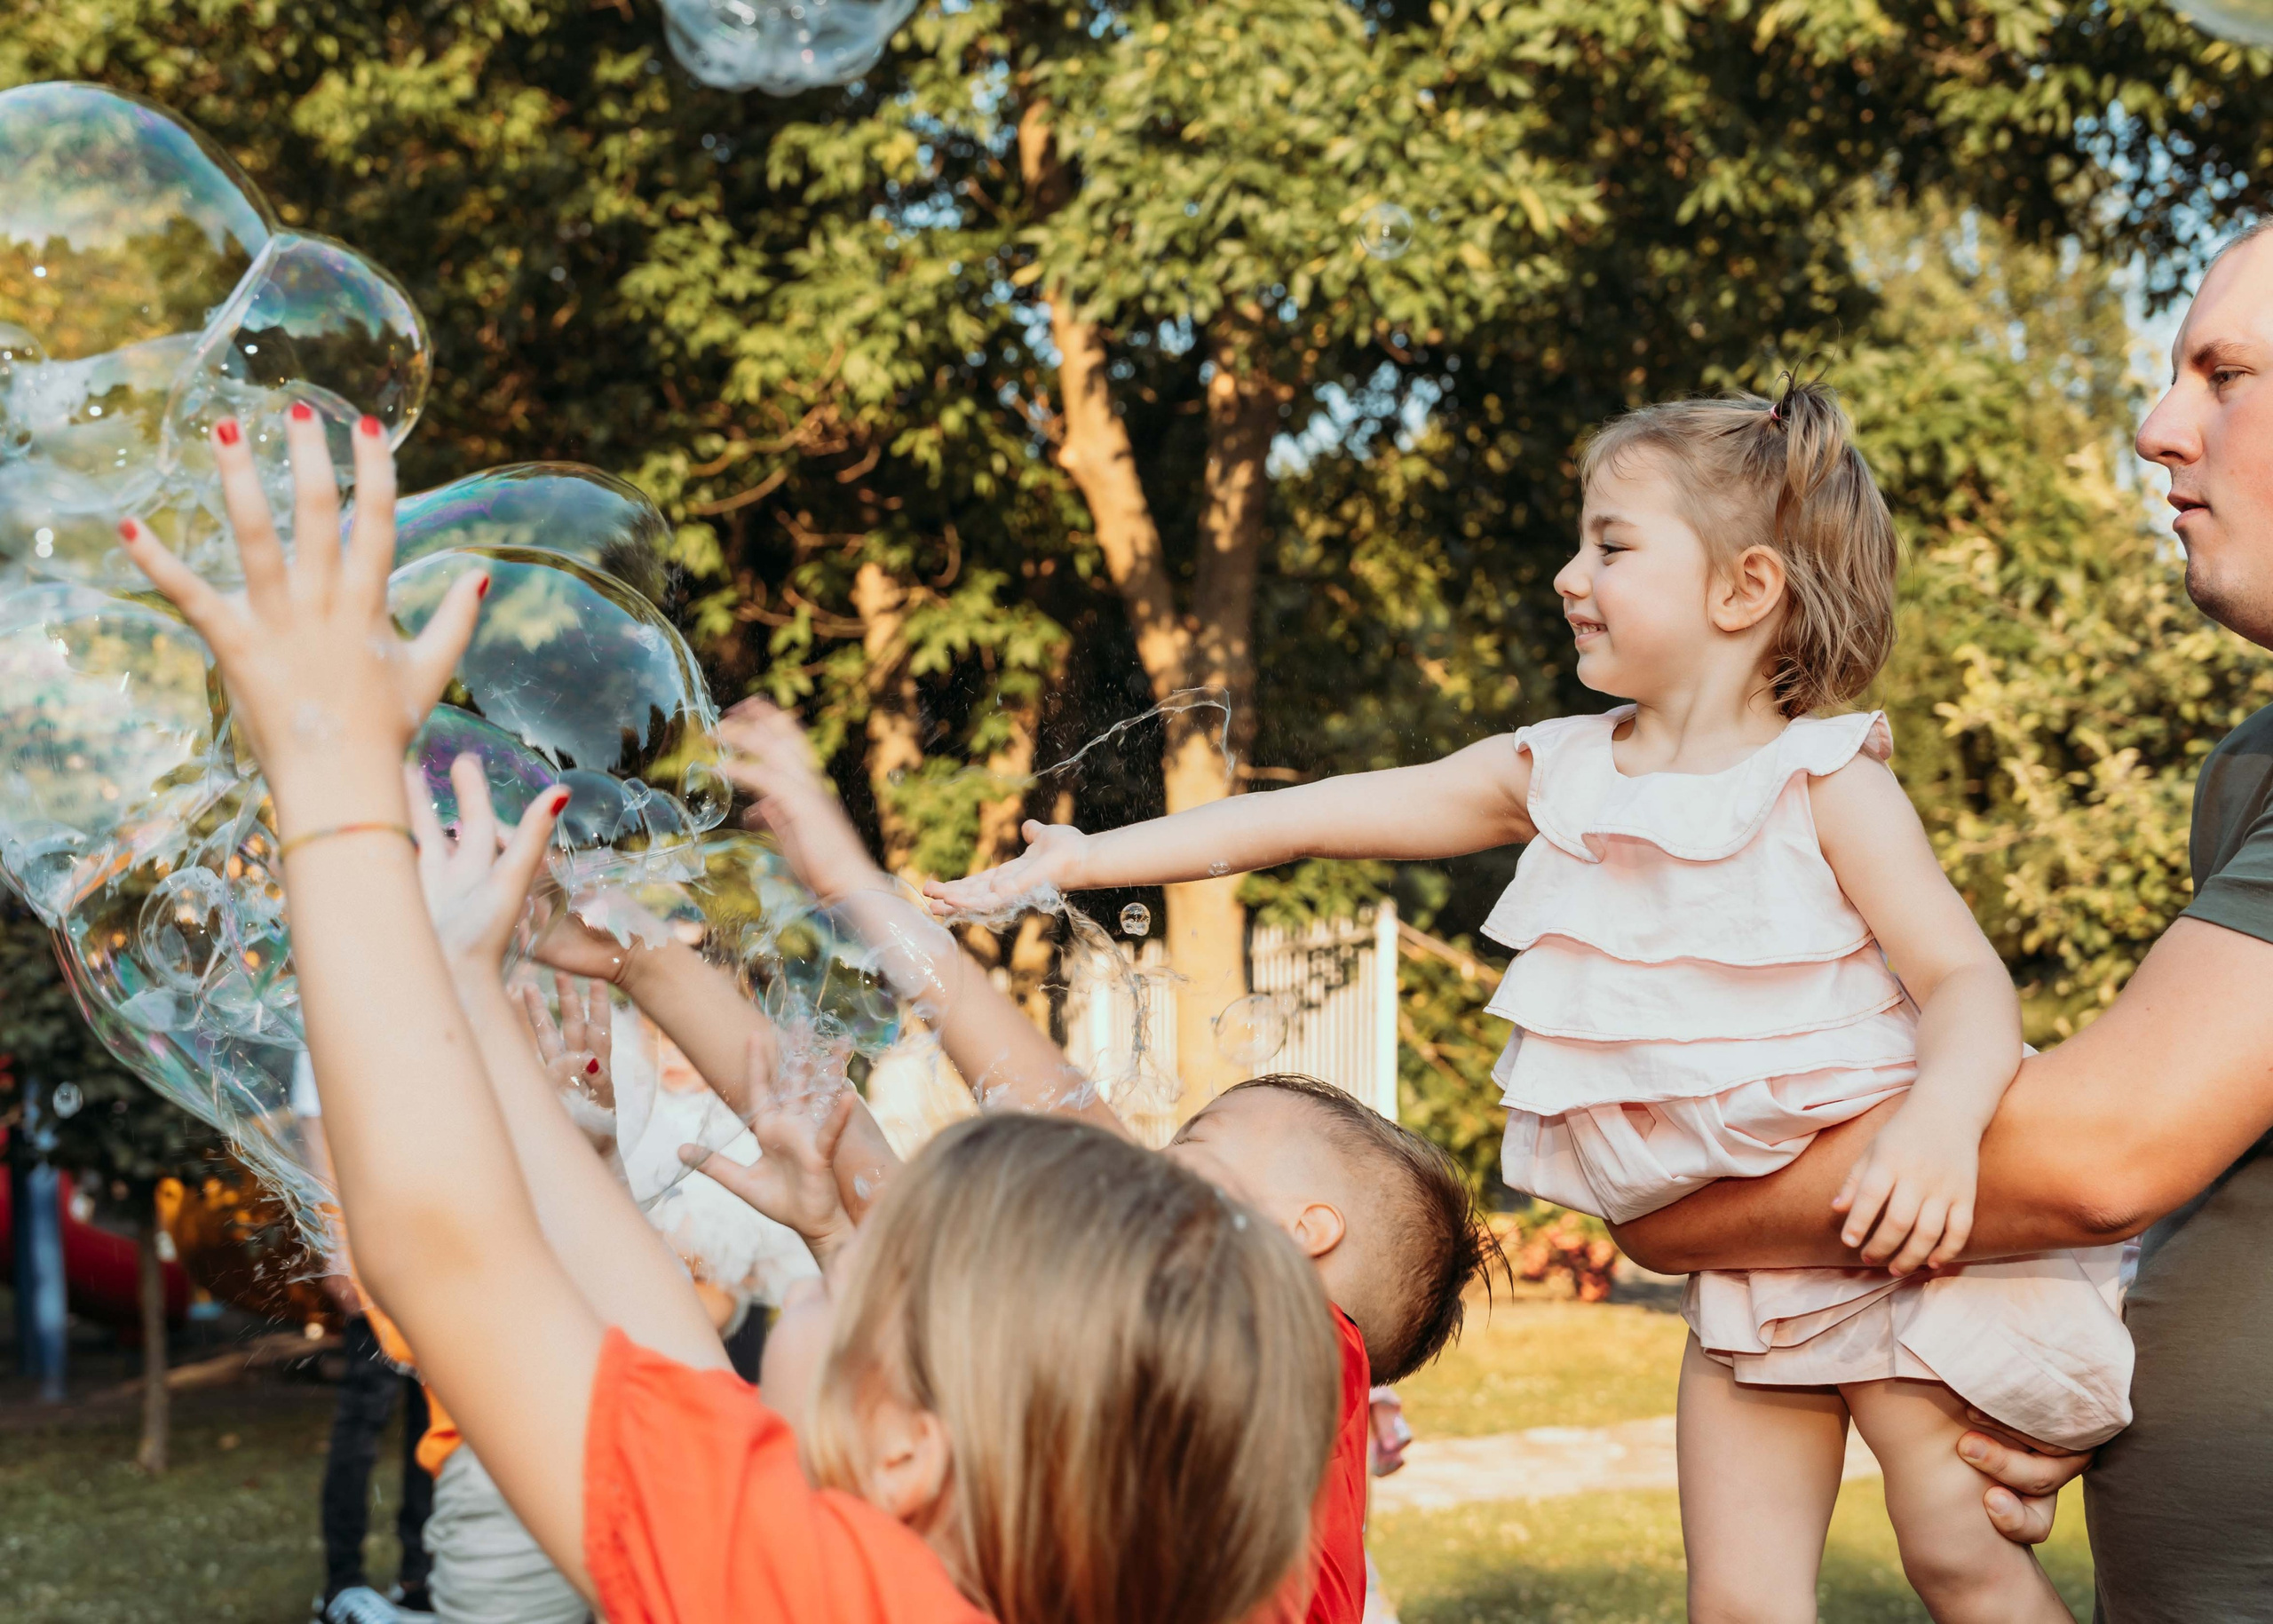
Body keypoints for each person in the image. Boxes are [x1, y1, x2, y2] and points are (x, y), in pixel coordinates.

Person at [926, 378, 2129, 1621]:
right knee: (1736, 1604)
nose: (1569, 574)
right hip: (1743, 1282)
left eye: (1610, 546)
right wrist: (1086, 857)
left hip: (1892, 1239)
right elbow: (1310, 814)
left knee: (1956, 1557)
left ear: (1743, 589)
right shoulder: (1556, 771)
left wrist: (1939, 1125)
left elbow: (1964, 981)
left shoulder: (1824, 782)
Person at [118, 406, 1342, 1624]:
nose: (849, 1223)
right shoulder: (1174, 1564)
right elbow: (660, 1358)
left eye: (858, 1278)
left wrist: (329, 764)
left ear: (906, 1450)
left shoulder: (820, 1597)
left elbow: (448, 1256)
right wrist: (511, 988)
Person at [1609, 226, 2273, 1620]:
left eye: (2224, 375)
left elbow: (2106, 1150)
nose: (2158, 427)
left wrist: (1680, 1216)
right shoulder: (2251, 769)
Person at [545, 701, 1502, 1624]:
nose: (1136, 1177)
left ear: (1307, 1235)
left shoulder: (1305, 1350)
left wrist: (846, 876)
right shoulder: (1141, 1411)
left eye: (1190, 1156)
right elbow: (845, 1148)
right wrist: (648, 962)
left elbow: (1060, 1111)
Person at [294, 1054, 434, 1624]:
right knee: (364, 1417)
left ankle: (421, 1579)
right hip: (371, 1257)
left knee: (434, 1417)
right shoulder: (325, 1020)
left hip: (439, 1250)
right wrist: (337, 1251)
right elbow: (315, 1130)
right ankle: (342, 1584)